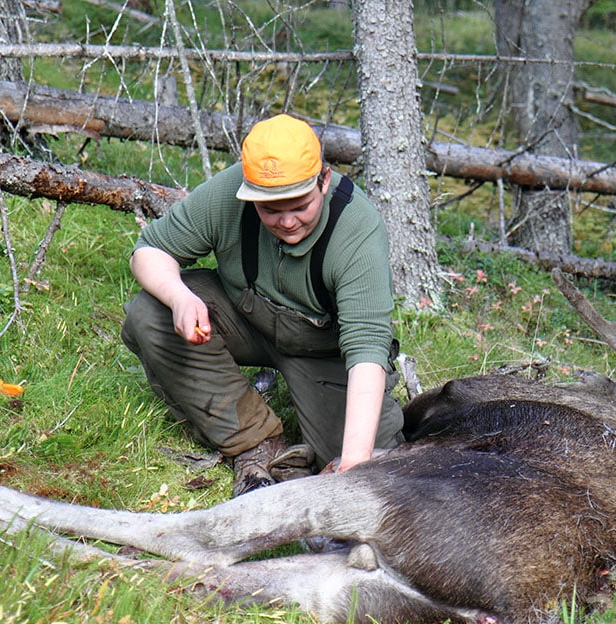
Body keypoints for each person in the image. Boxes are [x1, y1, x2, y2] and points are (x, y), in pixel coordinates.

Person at [121, 114, 405, 496]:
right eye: (271, 210)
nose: (287, 221)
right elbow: (150, 251)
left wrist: (354, 462)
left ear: (323, 180)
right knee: (150, 313)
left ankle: (317, 452)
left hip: (325, 352)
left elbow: (367, 346)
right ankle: (255, 444)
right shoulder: (230, 192)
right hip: (245, 320)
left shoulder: (357, 227)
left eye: (300, 206)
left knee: (380, 466)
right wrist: (180, 298)